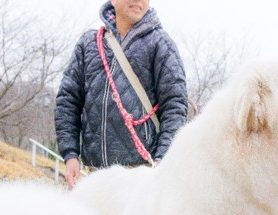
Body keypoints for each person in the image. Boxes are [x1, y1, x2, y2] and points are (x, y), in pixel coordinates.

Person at [55, 0, 188, 188]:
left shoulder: (161, 44)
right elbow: (68, 100)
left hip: (141, 178)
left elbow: (175, 107)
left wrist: (162, 160)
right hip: (94, 175)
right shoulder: (89, 43)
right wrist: (70, 155)